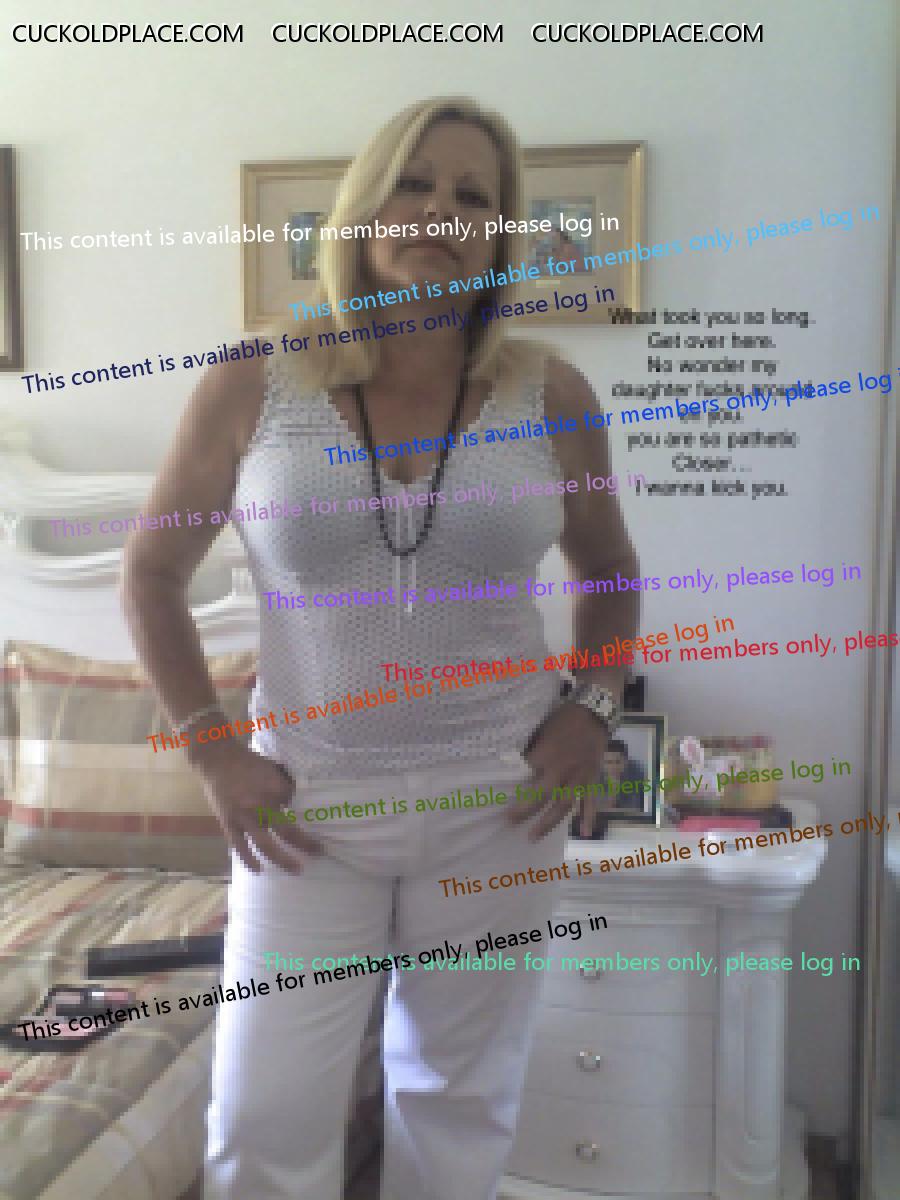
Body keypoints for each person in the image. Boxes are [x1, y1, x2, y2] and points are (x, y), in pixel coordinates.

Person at [121, 95, 640, 1200]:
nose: (440, 211)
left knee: (458, 1096)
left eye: (473, 196)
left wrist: (591, 714)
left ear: (499, 233)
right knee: (263, 1111)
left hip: (500, 806)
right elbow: (152, 573)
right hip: (305, 815)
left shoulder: (551, 393)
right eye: (414, 182)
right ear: (361, 208)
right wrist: (212, 750)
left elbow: (609, 570)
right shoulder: (255, 381)